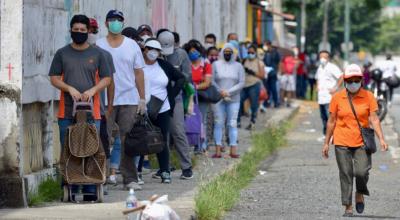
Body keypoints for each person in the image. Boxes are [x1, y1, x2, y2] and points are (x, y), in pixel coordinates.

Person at [49, 14, 112, 201]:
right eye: (75, 30)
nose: (79, 33)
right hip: (67, 111)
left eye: (82, 30)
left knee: (92, 149)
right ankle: (69, 184)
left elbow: (107, 79)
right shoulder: (62, 53)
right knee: (68, 148)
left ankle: (91, 188)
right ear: (70, 31)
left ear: (88, 31)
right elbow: (53, 78)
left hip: (92, 112)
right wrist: (69, 88)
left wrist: (93, 90)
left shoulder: (98, 54)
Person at [322, 64, 388, 217]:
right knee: (345, 173)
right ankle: (348, 206)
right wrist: (326, 142)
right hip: (341, 140)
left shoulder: (369, 96)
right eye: (350, 80)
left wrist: (382, 139)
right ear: (345, 81)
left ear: (361, 80)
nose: (353, 83)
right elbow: (331, 121)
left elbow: (374, 119)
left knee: (361, 172)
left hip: (361, 141)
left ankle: (360, 192)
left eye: (356, 79)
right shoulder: (337, 98)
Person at [96, 10, 146, 191]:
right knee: (103, 140)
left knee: (128, 141)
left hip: (129, 99)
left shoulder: (132, 45)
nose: (115, 23)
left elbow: (139, 72)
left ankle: (130, 178)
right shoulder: (99, 45)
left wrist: (142, 98)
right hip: (105, 101)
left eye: (119, 20)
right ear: (106, 23)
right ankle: (100, 178)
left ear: (123, 23)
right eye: (112, 20)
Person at [142, 38, 185, 183]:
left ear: (160, 52)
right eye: (150, 49)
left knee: (162, 139)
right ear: (144, 49)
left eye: (156, 50)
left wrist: (171, 95)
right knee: (140, 139)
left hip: (162, 108)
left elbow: (180, 78)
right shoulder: (138, 65)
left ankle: (165, 171)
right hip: (142, 108)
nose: (152, 53)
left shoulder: (164, 65)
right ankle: (137, 171)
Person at [157, 29, 194, 179]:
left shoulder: (181, 55)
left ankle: (186, 167)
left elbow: (187, 76)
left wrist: (173, 88)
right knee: (160, 135)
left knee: (178, 131)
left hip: (175, 98)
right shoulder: (153, 54)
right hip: (156, 99)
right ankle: (164, 167)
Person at [212, 43, 245, 158]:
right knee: (218, 123)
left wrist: (229, 92)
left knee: (232, 123)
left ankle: (233, 150)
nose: (227, 54)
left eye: (229, 52)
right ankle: (217, 151)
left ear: (233, 53)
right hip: (218, 99)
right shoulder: (215, 65)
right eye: (225, 52)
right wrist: (221, 91)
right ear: (222, 53)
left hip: (234, 99)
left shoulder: (238, 66)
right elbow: (212, 81)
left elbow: (241, 83)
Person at [183, 39, 212, 153]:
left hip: (201, 96)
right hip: (188, 96)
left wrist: (195, 87)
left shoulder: (205, 64)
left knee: (201, 120)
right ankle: (190, 142)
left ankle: (201, 144)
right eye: (190, 52)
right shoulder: (186, 64)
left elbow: (207, 82)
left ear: (200, 52)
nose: (192, 54)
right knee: (188, 119)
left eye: (195, 51)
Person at [315, 50, 343, 138]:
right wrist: (317, 86)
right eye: (321, 57)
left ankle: (333, 135)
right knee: (323, 117)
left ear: (328, 58)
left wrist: (335, 88)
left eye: (324, 57)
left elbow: (341, 76)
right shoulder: (320, 67)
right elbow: (317, 78)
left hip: (330, 97)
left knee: (330, 117)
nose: (322, 59)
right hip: (321, 97)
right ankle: (325, 134)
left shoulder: (332, 67)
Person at [238, 45, 265, 130]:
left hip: (254, 85)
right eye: (248, 52)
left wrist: (251, 72)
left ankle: (252, 122)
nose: (250, 54)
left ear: (255, 53)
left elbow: (262, 76)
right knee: (238, 101)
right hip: (244, 85)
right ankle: (238, 121)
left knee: (254, 104)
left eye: (252, 52)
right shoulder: (244, 60)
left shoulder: (259, 62)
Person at [262, 40, 280, 109]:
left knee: (273, 88)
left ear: (268, 45)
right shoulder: (265, 53)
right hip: (266, 73)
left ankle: (276, 102)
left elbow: (279, 62)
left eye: (265, 45)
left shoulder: (275, 52)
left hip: (273, 73)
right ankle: (266, 103)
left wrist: (278, 71)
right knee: (267, 89)